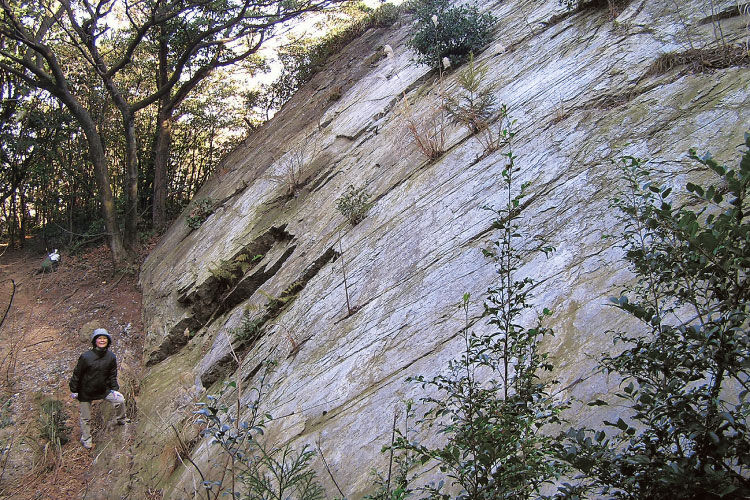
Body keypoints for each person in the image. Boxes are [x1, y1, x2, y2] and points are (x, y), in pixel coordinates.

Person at [69, 328, 129, 449]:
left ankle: (121, 419)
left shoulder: (111, 357)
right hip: (86, 391)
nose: (102, 340)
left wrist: (115, 389)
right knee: (85, 418)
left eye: (104, 338)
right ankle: (86, 440)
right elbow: (77, 374)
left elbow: (112, 374)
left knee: (120, 400)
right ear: (95, 341)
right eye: (99, 338)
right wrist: (74, 390)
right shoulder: (86, 357)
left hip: (103, 389)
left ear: (108, 341)